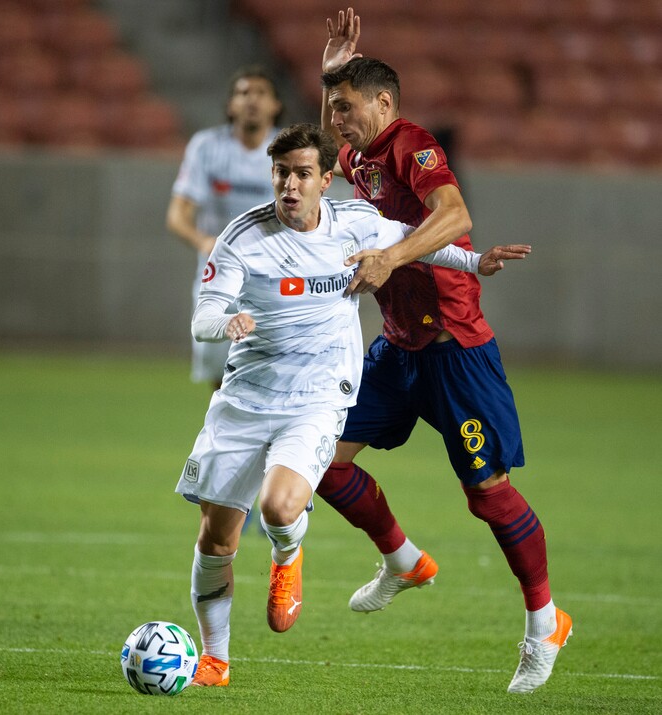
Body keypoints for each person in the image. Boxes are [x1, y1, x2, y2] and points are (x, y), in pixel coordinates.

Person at [174, 122, 528, 687]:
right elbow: (202, 315)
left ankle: (287, 558)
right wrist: (227, 322)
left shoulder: (355, 224)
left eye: (302, 174)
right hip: (247, 396)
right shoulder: (241, 238)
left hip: (317, 396)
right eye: (281, 173)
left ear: (326, 179)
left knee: (279, 507)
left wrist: (476, 261)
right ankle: (214, 661)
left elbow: (418, 240)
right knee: (216, 539)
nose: (290, 185)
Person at [315, 8, 571, 695]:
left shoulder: (412, 143)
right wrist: (331, 73)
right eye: (333, 108)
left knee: (488, 496)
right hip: (397, 349)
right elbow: (332, 141)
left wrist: (392, 256)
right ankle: (401, 560)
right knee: (318, 460)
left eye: (348, 107)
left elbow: (455, 215)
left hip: (454, 348)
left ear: (386, 104)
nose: (337, 119)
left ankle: (545, 621)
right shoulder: (355, 155)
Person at [166, 65, 283, 391]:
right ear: (231, 104)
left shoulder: (287, 149)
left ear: (276, 105)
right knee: (221, 377)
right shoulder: (207, 147)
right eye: (243, 93)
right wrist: (202, 240)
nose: (252, 100)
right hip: (218, 275)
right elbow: (177, 215)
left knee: (275, 370)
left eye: (261, 93)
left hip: (274, 273)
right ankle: (226, 438)